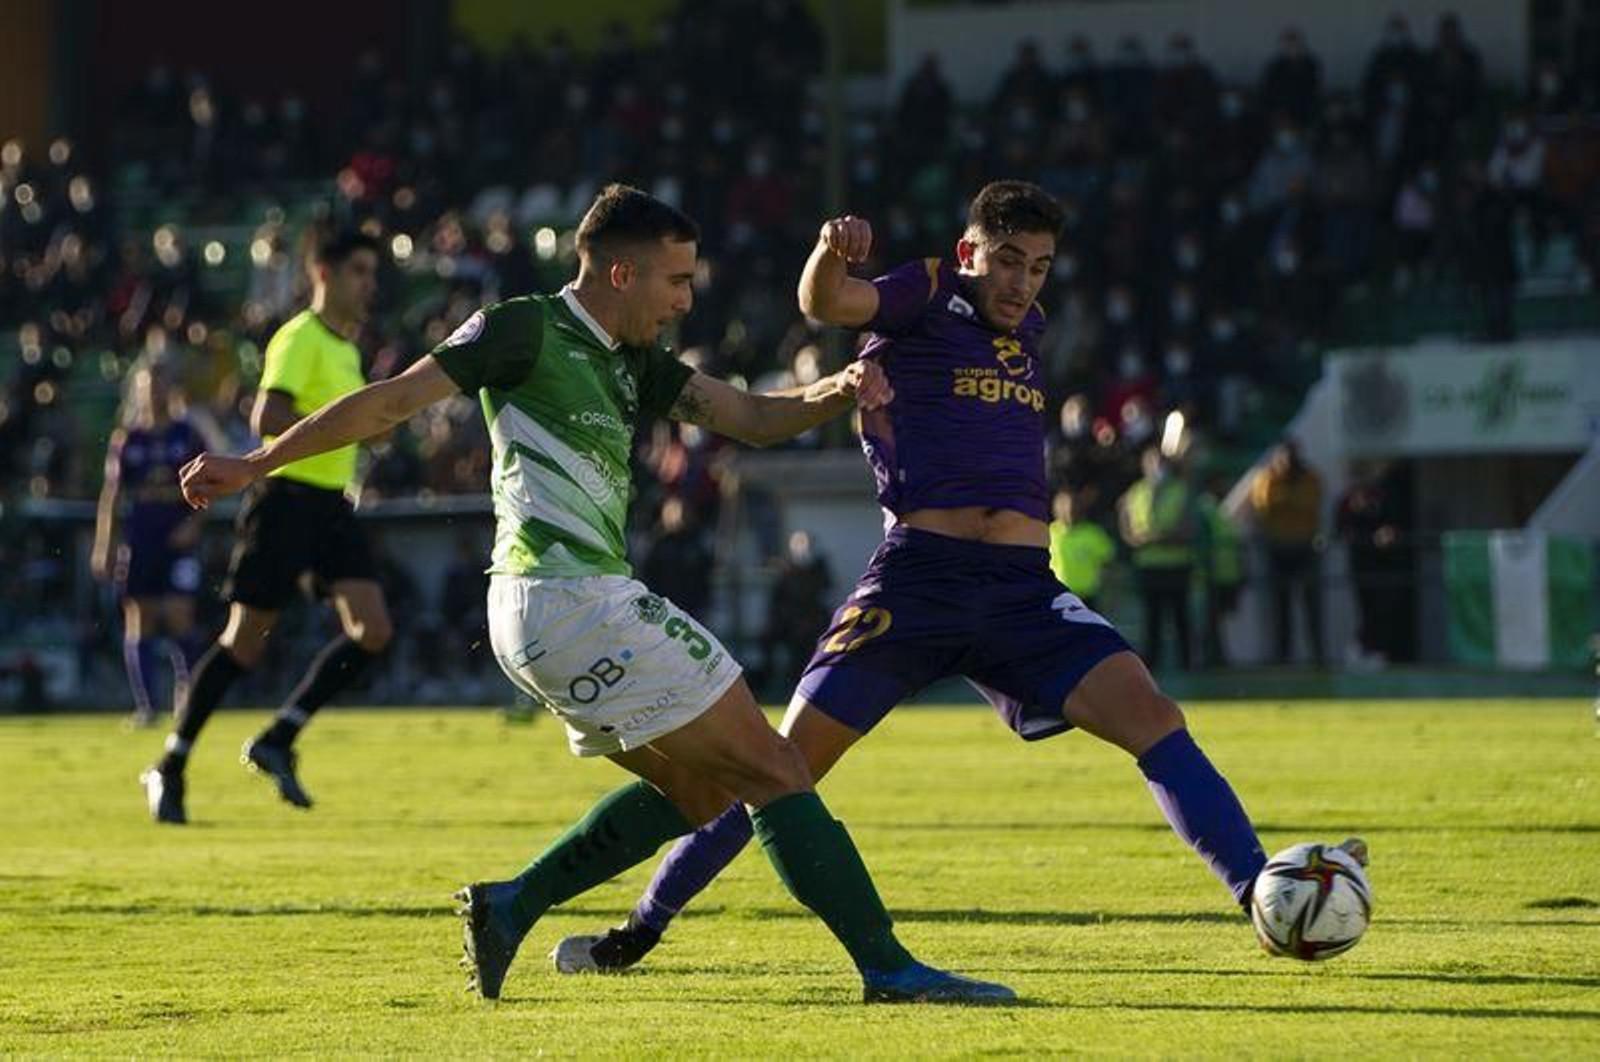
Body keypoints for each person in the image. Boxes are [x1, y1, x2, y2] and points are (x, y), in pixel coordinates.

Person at [178, 184, 1011, 1005]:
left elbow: (750, 419)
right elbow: (391, 403)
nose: (685, 302)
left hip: (537, 617)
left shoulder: (633, 361)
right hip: (570, 597)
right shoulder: (524, 329)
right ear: (621, 275)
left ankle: (512, 905)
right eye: (676, 282)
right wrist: (256, 465)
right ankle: (890, 971)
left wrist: (835, 390)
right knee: (777, 768)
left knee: (701, 792)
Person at [551, 182, 1360, 976]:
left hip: (1021, 590)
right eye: (1007, 260)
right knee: (777, 768)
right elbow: (827, 304)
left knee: (1152, 714)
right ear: (971, 250)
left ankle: (1259, 892)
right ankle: (641, 928)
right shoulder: (927, 291)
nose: (1022, 282)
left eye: (1039, 266)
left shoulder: (1030, 329)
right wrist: (830, 256)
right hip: (916, 583)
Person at [140, 229, 395, 824]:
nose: (369, 284)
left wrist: (372, 428)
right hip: (285, 501)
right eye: (359, 271)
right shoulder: (300, 337)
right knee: (244, 644)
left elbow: (354, 424)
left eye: (371, 273)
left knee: (375, 629)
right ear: (324, 274)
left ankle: (279, 735)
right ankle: (171, 763)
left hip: (332, 504)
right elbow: (268, 415)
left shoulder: (349, 349)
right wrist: (339, 427)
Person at [91, 358, 207, 727]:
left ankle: (188, 699)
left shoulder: (187, 435)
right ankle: (146, 707)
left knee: (178, 616)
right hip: (140, 541)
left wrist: (195, 522)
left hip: (177, 541)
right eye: (147, 385)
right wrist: (104, 543)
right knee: (139, 619)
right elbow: (111, 495)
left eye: (159, 384)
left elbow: (210, 487)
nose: (153, 392)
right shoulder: (128, 440)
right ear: (137, 389)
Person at [1118, 447, 1199, 670]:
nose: (1157, 468)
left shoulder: (1181, 491)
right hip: (1148, 567)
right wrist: (1142, 540)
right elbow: (1127, 529)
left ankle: (1188, 665)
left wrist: (1165, 538)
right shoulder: (1135, 492)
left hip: (1177, 565)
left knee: (1181, 617)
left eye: (1161, 463)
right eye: (1152, 462)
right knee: (1152, 620)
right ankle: (1150, 667)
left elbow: (1190, 527)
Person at [1248, 438, 1325, 665]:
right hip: (1278, 548)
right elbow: (1264, 506)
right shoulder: (1267, 478)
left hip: (1304, 547)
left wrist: (1285, 501)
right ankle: (1282, 657)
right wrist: (1289, 501)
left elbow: (1310, 504)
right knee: (1280, 608)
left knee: (1312, 606)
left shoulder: (1311, 478)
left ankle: (1318, 655)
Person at [1047, 488, 1115, 614]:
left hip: (1087, 598)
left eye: (1073, 506)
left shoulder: (1093, 533)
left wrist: (1111, 597)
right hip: (1057, 598)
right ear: (1056, 508)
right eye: (1064, 507)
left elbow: (1109, 567)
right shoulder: (1048, 534)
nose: (1069, 511)